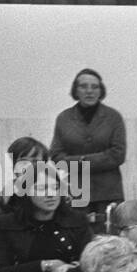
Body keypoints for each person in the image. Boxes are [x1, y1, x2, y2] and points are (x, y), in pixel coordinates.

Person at [50, 68, 127, 214]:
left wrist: (80, 161)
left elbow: (118, 154)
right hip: (76, 192)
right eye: (83, 86)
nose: (89, 91)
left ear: (101, 91)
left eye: (95, 87)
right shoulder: (63, 118)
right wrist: (90, 160)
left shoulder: (113, 117)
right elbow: (56, 156)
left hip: (108, 192)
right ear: (75, 91)